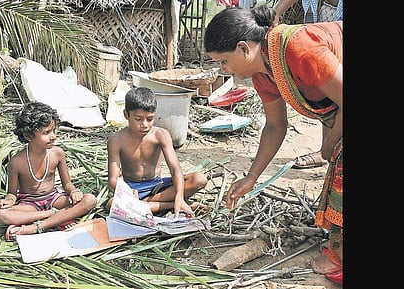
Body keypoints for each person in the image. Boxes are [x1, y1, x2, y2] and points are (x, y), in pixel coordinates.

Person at [204, 5, 342, 284]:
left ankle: (339, 258)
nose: (224, 70)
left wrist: (328, 147)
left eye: (223, 62)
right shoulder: (264, 73)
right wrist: (250, 178)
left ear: (244, 49)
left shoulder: (300, 49)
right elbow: (275, 126)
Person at [0, 101, 97, 241]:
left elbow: (67, 184)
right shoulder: (17, 161)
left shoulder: (57, 154)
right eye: (46, 132)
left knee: (90, 200)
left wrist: (73, 191)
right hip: (29, 204)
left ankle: (38, 226)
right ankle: (53, 216)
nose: (53, 136)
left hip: (54, 199)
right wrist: (7, 202)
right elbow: (12, 194)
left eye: (54, 130)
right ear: (29, 136)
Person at [106, 87, 209, 218]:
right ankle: (170, 205)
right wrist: (127, 193)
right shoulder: (116, 140)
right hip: (133, 189)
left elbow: (175, 169)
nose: (144, 124)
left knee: (199, 179)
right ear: (126, 114)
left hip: (158, 186)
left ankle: (145, 205)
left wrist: (178, 195)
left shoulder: (161, 135)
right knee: (111, 205)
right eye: (138, 119)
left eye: (149, 119)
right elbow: (113, 180)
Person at [272, 0, 343, 170]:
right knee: (329, 94)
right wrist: (276, 12)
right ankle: (326, 151)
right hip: (325, 42)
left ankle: (329, 150)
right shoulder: (313, 3)